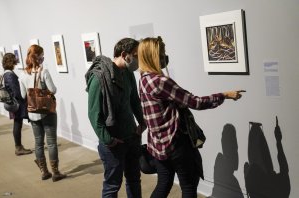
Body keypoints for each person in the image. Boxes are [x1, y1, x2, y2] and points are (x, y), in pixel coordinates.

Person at [137, 36, 245, 198]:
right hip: (175, 143)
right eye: (161, 53)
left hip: (158, 144)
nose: (164, 57)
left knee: (164, 183)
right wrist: (225, 95)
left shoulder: (144, 80)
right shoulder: (160, 81)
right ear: (152, 56)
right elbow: (196, 102)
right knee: (188, 186)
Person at [85, 38, 146, 198]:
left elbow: (134, 100)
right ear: (124, 54)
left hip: (132, 136)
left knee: (134, 180)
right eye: (135, 55)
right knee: (112, 185)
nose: (138, 60)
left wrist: (142, 121)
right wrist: (108, 139)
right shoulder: (99, 78)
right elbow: (93, 114)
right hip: (113, 142)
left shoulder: (127, 73)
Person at [19, 45, 66, 181]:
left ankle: (44, 172)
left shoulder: (22, 75)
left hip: (33, 113)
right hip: (47, 111)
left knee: (38, 143)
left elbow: (23, 95)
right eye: (42, 55)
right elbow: (53, 89)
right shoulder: (43, 72)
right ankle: (56, 172)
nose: (43, 57)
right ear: (38, 56)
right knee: (51, 142)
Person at [2, 53, 32, 156]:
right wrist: (25, 96)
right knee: (17, 124)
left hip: (14, 103)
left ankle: (19, 147)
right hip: (17, 104)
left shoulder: (6, 73)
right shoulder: (9, 75)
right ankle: (18, 147)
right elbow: (16, 92)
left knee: (17, 124)